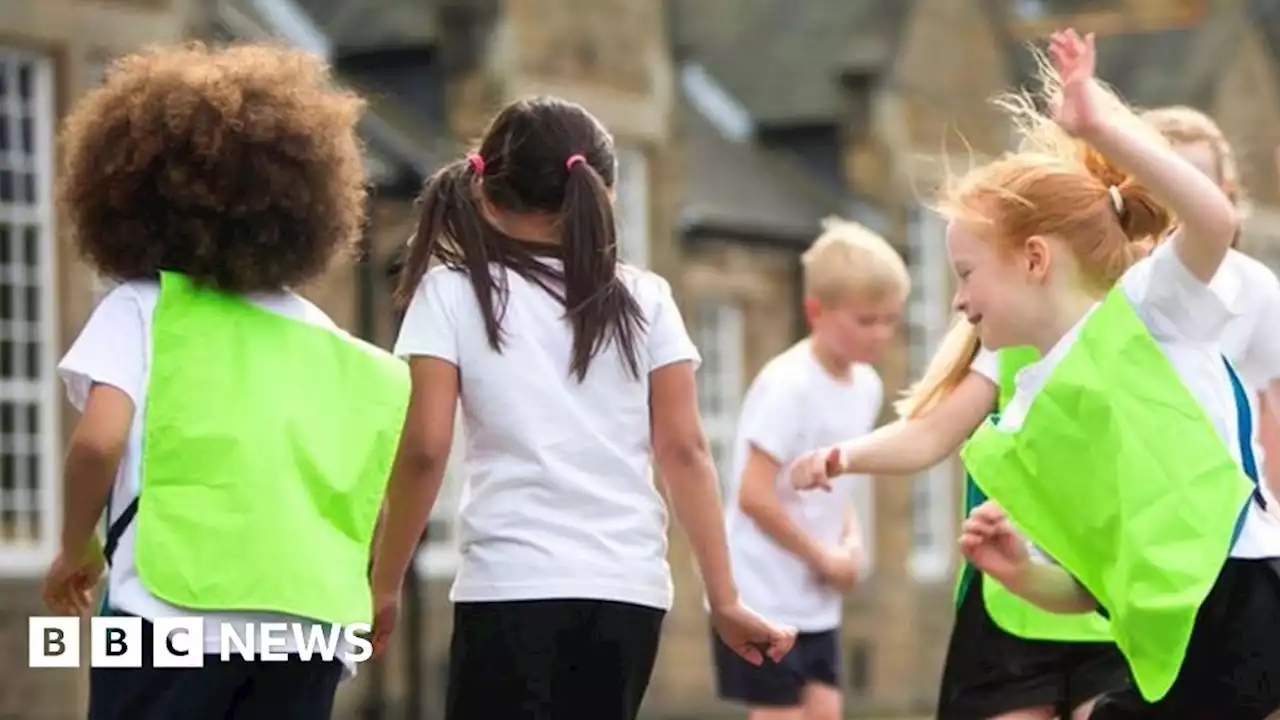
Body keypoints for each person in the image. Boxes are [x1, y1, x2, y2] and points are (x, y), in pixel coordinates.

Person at [368, 95, 796, 720]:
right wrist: (725, 600)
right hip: (627, 593)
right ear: (604, 194)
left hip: (511, 587)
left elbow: (426, 449)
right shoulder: (647, 298)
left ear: (485, 192)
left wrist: (384, 584)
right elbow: (684, 452)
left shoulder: (451, 293)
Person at [45, 44, 404, 720]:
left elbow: (97, 445)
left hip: (166, 615)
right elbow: (365, 507)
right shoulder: (332, 342)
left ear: (127, 195)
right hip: (307, 625)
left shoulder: (143, 307)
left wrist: (73, 549)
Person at [946, 29, 1280, 717]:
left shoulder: (1147, 308)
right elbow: (1099, 586)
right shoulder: (1023, 424)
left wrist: (1102, 124)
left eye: (966, 274)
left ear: (1035, 259)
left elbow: (1211, 219)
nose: (957, 300)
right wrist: (1021, 574)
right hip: (1175, 639)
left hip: (1243, 595)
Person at [711, 218, 904, 720]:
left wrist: (852, 546)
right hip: (763, 596)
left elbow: (839, 489)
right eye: (866, 321)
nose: (881, 334)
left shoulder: (866, 386)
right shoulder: (788, 385)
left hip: (816, 600)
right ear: (816, 311)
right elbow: (753, 496)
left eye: (890, 320)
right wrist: (821, 557)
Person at [1140, 106, 1280, 501]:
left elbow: (1274, 410)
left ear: (1227, 191)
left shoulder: (1253, 286)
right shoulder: (1122, 284)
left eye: (1197, 183)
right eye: (1166, 181)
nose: (1183, 201)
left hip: (1228, 516)